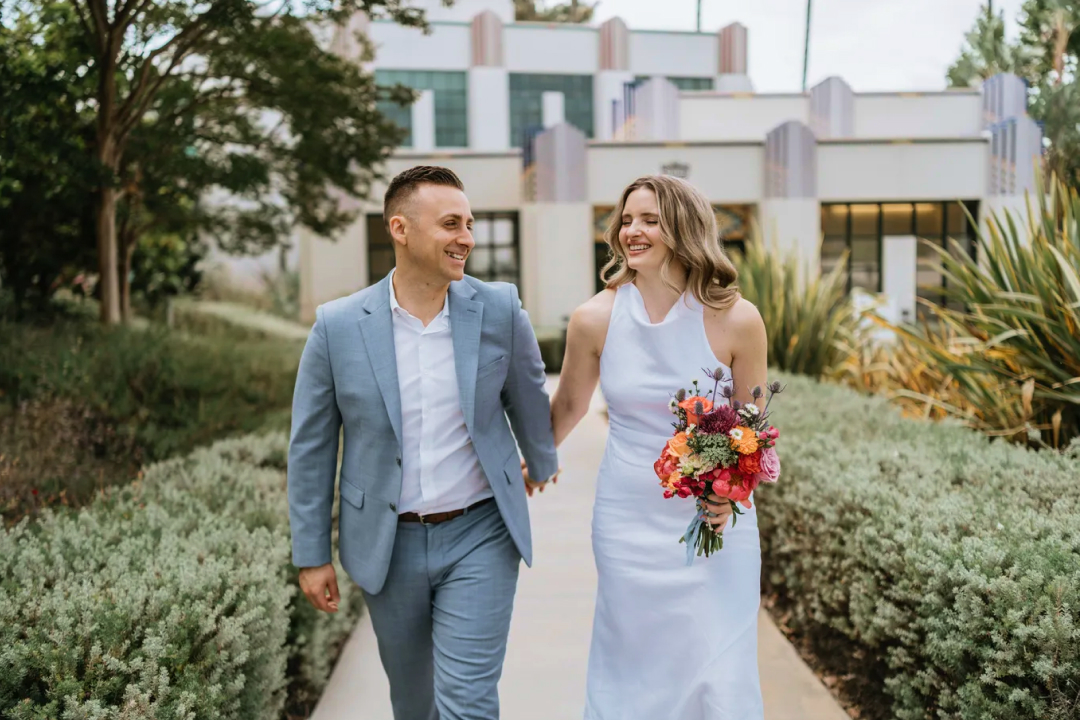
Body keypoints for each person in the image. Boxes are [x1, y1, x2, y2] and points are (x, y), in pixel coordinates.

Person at [287, 165, 559, 720]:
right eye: (451, 224)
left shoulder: (499, 309)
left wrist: (541, 458)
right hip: (389, 544)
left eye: (470, 224)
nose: (467, 238)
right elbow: (311, 446)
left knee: (468, 701)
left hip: (481, 533)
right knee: (414, 704)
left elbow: (528, 392)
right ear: (400, 229)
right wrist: (311, 554)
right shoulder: (337, 326)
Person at [545, 174, 767, 719]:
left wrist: (728, 494)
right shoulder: (594, 318)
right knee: (634, 667)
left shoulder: (739, 319)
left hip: (717, 522)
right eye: (626, 219)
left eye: (649, 219)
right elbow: (570, 404)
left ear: (685, 228)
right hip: (627, 521)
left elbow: (753, 426)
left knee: (719, 672)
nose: (632, 231)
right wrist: (533, 458)